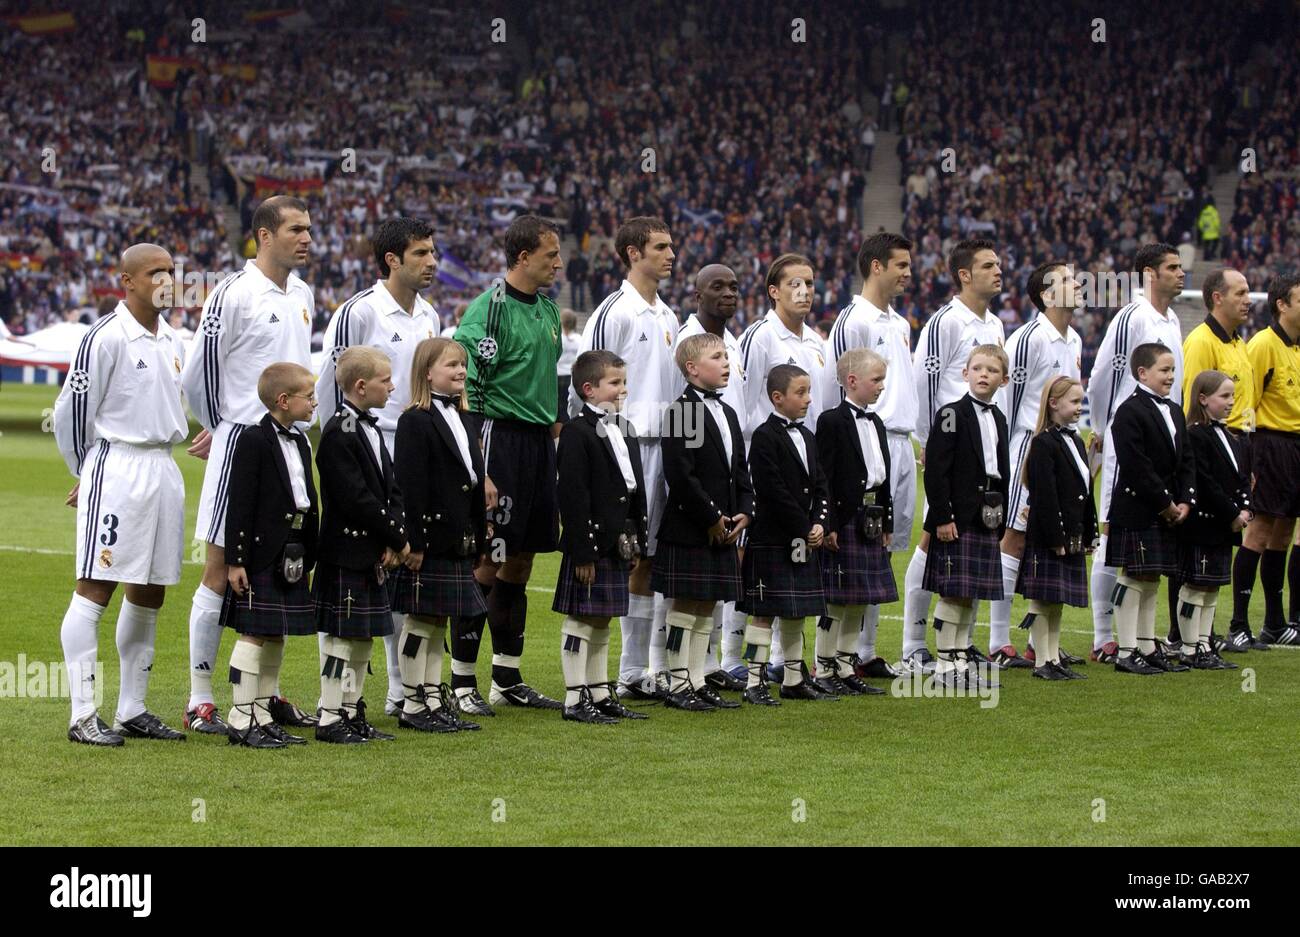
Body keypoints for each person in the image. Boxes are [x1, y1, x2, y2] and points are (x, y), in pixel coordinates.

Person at [180, 195, 317, 734]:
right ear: (264, 235)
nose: (307, 238)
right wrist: (223, 426)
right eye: (296, 230)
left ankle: (266, 693)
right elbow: (198, 372)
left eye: (309, 229)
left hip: (289, 447)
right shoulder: (231, 295)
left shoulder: (302, 293)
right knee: (219, 571)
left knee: (280, 564)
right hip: (241, 443)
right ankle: (200, 699)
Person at [53, 242, 189, 745]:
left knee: (150, 589)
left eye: (172, 273)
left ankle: (133, 707)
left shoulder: (174, 339)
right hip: (118, 467)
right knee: (96, 585)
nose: (167, 281)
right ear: (127, 281)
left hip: (163, 468)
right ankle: (83, 714)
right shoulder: (105, 337)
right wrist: (86, 471)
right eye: (156, 272)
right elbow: (71, 412)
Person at [315, 217, 439, 715]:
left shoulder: (429, 315)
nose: (432, 262)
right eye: (421, 254)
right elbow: (331, 381)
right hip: (365, 447)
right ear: (392, 259)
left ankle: (402, 690)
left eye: (433, 253)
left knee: (405, 567)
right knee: (360, 568)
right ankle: (341, 699)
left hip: (411, 450)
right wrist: (339, 443)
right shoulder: (358, 312)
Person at [452, 215, 565, 712]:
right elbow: (467, 391)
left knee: (521, 559)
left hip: (539, 443)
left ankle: (507, 677)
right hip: (499, 438)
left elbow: (549, 379)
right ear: (523, 257)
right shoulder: (488, 312)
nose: (558, 264)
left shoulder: (549, 309)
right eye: (550, 255)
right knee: (488, 558)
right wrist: (482, 468)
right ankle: (460, 682)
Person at [575, 217, 679, 699]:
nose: (670, 254)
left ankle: (640, 669)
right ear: (633, 254)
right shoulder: (613, 312)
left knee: (651, 556)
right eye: (660, 246)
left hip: (664, 443)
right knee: (625, 550)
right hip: (624, 445)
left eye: (671, 246)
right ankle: (620, 671)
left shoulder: (667, 315)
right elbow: (588, 382)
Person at [902, 239, 1006, 674]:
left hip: (979, 449)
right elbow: (924, 380)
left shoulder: (997, 324)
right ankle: (913, 645)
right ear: (965, 275)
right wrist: (928, 440)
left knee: (969, 548)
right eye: (988, 265)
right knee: (933, 536)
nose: (998, 271)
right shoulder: (944, 321)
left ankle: (960, 645)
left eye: (998, 264)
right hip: (949, 445)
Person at [1085, 243, 1185, 663]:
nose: (1183, 274)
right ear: (1148, 274)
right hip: (1128, 444)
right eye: (1173, 268)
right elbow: (1103, 376)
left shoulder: (1174, 318)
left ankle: (1141, 637)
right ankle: (1104, 636)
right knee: (1113, 534)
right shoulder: (1132, 317)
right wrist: (1107, 430)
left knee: (1150, 538)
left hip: (1162, 444)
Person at [825, 232, 915, 677]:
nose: (908, 273)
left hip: (894, 438)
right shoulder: (852, 321)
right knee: (852, 546)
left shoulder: (899, 323)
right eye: (901, 265)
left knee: (881, 549)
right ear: (877, 266)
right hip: (860, 438)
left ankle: (864, 652)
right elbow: (836, 387)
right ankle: (838, 657)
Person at [388, 338, 488, 733]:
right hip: (429, 540)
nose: (461, 371)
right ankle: (413, 703)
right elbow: (409, 486)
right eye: (451, 366)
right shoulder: (414, 420)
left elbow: (474, 482)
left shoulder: (466, 418)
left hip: (459, 537)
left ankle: (432, 696)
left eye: (463, 365)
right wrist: (414, 541)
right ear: (428, 373)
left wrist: (478, 538)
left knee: (437, 621)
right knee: (420, 619)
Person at [739, 253, 831, 676]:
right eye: (795, 283)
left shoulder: (817, 341)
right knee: (753, 568)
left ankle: (784, 665)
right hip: (766, 462)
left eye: (810, 283)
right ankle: (732, 661)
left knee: (794, 572)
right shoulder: (759, 337)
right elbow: (742, 402)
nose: (805, 291)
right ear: (774, 291)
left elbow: (818, 407)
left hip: (805, 465)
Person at [221, 362, 320, 747]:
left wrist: (309, 552)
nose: (314, 403)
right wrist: (237, 559)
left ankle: (262, 712)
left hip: (292, 550)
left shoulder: (300, 440)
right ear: (284, 400)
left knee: (276, 633)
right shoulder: (253, 439)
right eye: (307, 397)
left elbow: (307, 498)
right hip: (261, 552)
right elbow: (240, 502)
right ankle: (240, 717)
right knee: (254, 633)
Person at [314, 346, 410, 742]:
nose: (392, 386)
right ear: (360, 385)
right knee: (341, 638)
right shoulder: (338, 432)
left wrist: (393, 537)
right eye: (385, 380)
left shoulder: (369, 426)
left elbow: (391, 489)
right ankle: (330, 715)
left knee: (362, 637)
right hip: (346, 552)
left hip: (371, 550)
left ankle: (352, 710)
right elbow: (355, 498)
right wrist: (394, 537)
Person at [990, 261, 1084, 668]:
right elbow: (1007, 400)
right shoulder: (1028, 339)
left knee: (1046, 536)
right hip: (1026, 444)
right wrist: (1004, 456)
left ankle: (1038, 641)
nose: (1077, 284)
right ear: (1046, 295)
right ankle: (997, 642)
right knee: (1014, 535)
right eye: (1066, 280)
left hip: (1060, 447)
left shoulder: (1075, 339)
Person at [652, 332, 752, 711]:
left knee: (707, 605)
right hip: (692, 526)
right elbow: (680, 474)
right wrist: (712, 518)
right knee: (685, 605)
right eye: (717, 357)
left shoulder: (726, 412)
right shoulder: (682, 411)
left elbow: (738, 471)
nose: (726, 363)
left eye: (726, 356)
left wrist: (745, 510)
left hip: (724, 527)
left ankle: (696, 680)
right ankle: (678, 684)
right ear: (692, 369)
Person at [554, 349, 651, 723]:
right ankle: (575, 699)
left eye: (624, 382)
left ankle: (599, 692)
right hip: (591, 543)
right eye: (615, 383)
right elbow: (573, 497)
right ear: (589, 389)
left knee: (603, 617)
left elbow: (635, 488)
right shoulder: (576, 432)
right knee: (582, 617)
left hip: (619, 539)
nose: (622, 390)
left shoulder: (624, 427)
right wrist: (583, 553)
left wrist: (637, 538)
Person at [741, 364, 834, 701]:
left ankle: (793, 679)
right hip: (773, 537)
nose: (808, 399)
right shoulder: (764, 437)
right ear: (777, 398)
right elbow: (772, 491)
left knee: (797, 612)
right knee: (763, 613)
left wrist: (821, 521)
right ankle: (754, 681)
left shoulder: (808, 435)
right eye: (801, 392)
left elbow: (821, 484)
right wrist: (804, 525)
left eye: (809, 391)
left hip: (803, 536)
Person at [922, 344, 1010, 688]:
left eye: (991, 370)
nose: (983, 374)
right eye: (977, 369)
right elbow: (936, 472)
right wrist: (942, 517)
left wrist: (999, 516)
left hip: (986, 514)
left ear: (1003, 379)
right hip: (957, 516)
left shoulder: (1000, 418)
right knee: (952, 591)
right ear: (965, 373)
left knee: (970, 591)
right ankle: (945, 665)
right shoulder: (950, 413)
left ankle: (960, 659)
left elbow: (1001, 469)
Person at [1105, 343, 1196, 674]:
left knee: (1152, 578)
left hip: (1168, 508)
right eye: (1164, 370)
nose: (1171, 376)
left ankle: (1146, 646)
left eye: (1172, 370)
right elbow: (1136, 465)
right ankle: (1127, 652)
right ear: (1142, 373)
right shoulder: (1129, 411)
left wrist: (1185, 499)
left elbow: (1186, 459)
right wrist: (1165, 503)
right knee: (1133, 576)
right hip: (1138, 509)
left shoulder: (1173, 410)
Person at [1179, 267, 1254, 653]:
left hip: (1236, 446)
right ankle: (1184, 637)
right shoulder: (1201, 341)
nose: (1247, 298)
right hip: (1210, 447)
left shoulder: (1240, 343)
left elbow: (1245, 403)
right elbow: (1194, 400)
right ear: (1217, 297)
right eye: (1240, 292)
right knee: (1198, 551)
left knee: (1218, 554)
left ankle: (1203, 635)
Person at [814, 348, 894, 696]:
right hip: (845, 519)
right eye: (876, 380)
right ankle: (824, 666)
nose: (881, 387)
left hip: (871, 519)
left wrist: (887, 521)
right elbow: (825, 477)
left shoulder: (876, 422)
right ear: (852, 381)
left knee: (860, 599)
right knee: (836, 599)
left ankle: (846, 666)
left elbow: (884, 477)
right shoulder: (830, 421)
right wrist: (828, 523)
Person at [1015, 377, 1095, 681]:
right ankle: (1041, 662)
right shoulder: (1043, 443)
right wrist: (1056, 538)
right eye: (1074, 402)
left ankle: (1053, 656)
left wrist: (1089, 533)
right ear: (1053, 403)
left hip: (1072, 531)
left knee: (1057, 599)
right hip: (1049, 535)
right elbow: (1045, 496)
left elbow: (1086, 490)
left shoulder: (1074, 440)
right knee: (1042, 598)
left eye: (1080, 401)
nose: (1079, 407)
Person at [1239, 274, 1300, 646]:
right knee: (1260, 530)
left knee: (1285, 533)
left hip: (1295, 445)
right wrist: (1250, 460)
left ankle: (1276, 622)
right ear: (1282, 305)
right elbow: (1248, 402)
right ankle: (1238, 623)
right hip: (1270, 444)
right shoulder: (1262, 344)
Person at [1179, 369, 1249, 669]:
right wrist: (1233, 513)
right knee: (1195, 585)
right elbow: (1205, 482)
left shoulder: (1228, 434)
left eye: (1232, 395)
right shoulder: (1195, 434)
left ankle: (1205, 643)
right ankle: (1189, 647)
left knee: (1212, 587)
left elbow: (1242, 477)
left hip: (1224, 524)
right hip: (1205, 524)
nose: (1231, 402)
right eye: (1225, 396)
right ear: (1203, 399)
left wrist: (1246, 508)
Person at [556, 309, 581, 424]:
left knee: (558, 405)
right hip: (572, 376)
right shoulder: (579, 339)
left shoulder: (557, 337)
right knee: (570, 404)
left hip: (558, 375)